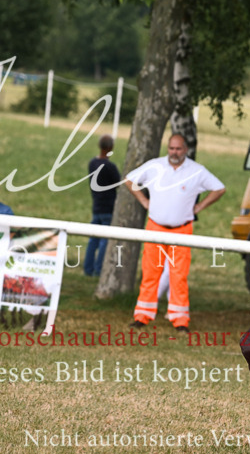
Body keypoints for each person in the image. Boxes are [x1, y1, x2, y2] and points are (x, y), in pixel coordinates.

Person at [126, 134, 225, 333]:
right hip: (155, 228)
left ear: (185, 149)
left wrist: (199, 207)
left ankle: (180, 320)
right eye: (171, 148)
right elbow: (129, 180)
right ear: (168, 148)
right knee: (150, 273)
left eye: (178, 149)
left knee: (179, 276)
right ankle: (142, 316)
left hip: (182, 230)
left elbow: (219, 188)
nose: (174, 152)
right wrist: (144, 201)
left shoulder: (197, 171)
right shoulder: (155, 165)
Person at [83, 135, 120, 277]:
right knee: (105, 240)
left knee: (93, 239)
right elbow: (118, 182)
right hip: (108, 208)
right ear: (110, 148)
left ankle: (88, 268)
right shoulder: (110, 166)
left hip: (97, 206)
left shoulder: (92, 163)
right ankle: (99, 269)